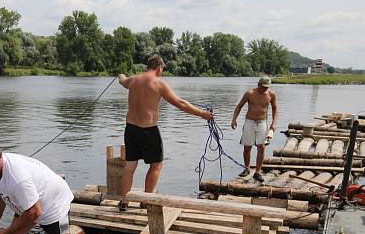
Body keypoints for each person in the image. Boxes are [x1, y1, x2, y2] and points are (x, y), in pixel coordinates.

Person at [117, 55, 214, 211]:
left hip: (130, 129)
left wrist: (121, 76)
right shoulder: (159, 83)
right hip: (148, 130)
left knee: (130, 165)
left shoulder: (133, 80)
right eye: (162, 70)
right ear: (159, 68)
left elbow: (123, 81)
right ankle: (146, 200)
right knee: (156, 165)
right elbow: (181, 104)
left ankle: (124, 201)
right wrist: (202, 114)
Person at [230, 76, 278, 182]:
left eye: (267, 87)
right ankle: (247, 168)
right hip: (249, 121)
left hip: (262, 122)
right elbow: (239, 106)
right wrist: (234, 119)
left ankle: (258, 172)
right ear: (259, 85)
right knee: (247, 147)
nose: (265, 89)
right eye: (263, 87)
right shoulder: (250, 93)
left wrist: (274, 123)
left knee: (261, 147)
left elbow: (275, 109)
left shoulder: (271, 94)